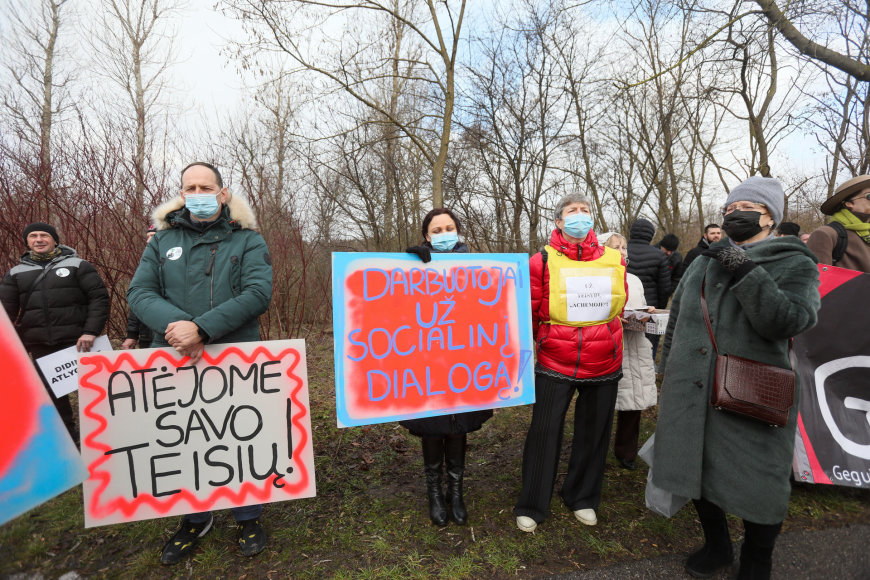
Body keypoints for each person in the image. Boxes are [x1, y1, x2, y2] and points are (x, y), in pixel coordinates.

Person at [652, 176, 820, 580]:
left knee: (760, 482)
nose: (733, 215)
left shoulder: (795, 261)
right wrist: (665, 370)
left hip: (752, 392)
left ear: (770, 216)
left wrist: (743, 268)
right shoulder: (704, 260)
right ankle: (718, 545)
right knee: (693, 469)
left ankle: (758, 558)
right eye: (728, 209)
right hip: (690, 388)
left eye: (745, 208)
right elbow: (678, 318)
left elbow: (790, 320)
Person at [127, 162, 273, 564]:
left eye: (205, 186)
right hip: (173, 356)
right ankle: (195, 518)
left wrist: (203, 330)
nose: (198, 192)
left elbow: (258, 293)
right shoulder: (161, 241)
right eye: (190, 187)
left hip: (234, 357)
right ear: (182, 193)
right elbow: (139, 292)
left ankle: (248, 515)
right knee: (185, 440)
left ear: (222, 193)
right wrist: (177, 328)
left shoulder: (248, 242)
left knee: (238, 436)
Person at [515, 194, 627, 533]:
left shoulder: (614, 258)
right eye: (572, 212)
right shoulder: (541, 260)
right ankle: (533, 504)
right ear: (559, 222)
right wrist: (539, 342)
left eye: (585, 211)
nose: (580, 216)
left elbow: (618, 306)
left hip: (603, 361)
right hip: (555, 360)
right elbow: (531, 310)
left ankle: (583, 497)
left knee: (594, 434)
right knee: (544, 432)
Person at [402, 208, 492, 527]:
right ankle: (434, 493)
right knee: (433, 425)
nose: (444, 233)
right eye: (437, 229)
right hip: (427, 367)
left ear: (458, 231)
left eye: (449, 227)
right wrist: (408, 264)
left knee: (458, 426)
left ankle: (456, 490)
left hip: (464, 365)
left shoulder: (477, 267)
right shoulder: (411, 267)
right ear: (427, 236)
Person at [0, 222, 110, 446]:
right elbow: (4, 312)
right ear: (27, 242)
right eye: (33, 236)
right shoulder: (16, 273)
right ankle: (70, 448)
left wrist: (91, 331)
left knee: (96, 397)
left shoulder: (78, 265)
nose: (39, 239)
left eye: (44, 235)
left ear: (55, 240)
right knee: (54, 401)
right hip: (41, 345)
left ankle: (104, 444)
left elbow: (98, 299)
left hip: (80, 343)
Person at [600, 232, 656, 471]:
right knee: (603, 404)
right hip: (608, 348)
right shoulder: (596, 277)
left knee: (634, 401)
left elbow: (638, 310)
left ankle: (626, 452)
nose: (622, 252)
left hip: (636, 346)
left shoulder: (633, 279)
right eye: (616, 247)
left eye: (624, 248)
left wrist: (648, 313)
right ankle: (596, 450)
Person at [806, 174, 870, 272]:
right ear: (849, 203)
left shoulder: (867, 234)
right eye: (869, 196)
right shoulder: (826, 234)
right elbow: (815, 282)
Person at [626, 218, 670, 355]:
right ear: (651, 235)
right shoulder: (659, 256)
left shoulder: (619, 252)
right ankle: (650, 368)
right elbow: (664, 288)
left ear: (631, 233)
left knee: (626, 345)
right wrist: (659, 307)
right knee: (648, 345)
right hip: (649, 310)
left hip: (624, 308)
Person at [121, 225, 156, 350]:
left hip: (174, 337)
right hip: (147, 337)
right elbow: (138, 300)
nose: (147, 241)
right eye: (147, 237)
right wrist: (132, 334)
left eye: (152, 236)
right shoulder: (146, 264)